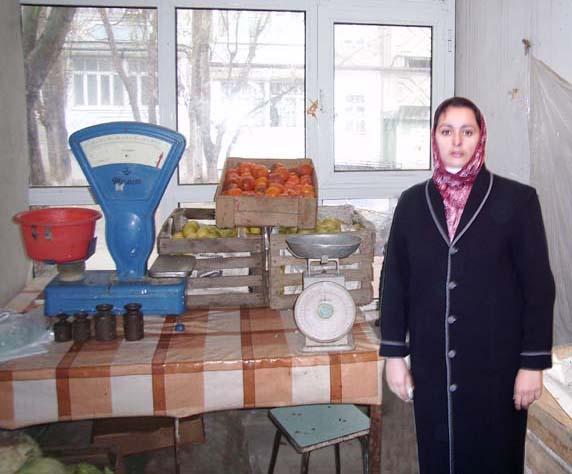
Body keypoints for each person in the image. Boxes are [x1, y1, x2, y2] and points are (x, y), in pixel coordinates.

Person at [379, 96, 555, 474]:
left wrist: (532, 364)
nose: (456, 141)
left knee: (495, 458)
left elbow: (539, 288)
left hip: (496, 366)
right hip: (432, 364)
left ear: (481, 137)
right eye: (447, 131)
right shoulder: (412, 204)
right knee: (439, 458)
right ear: (434, 137)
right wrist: (395, 357)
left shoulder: (518, 201)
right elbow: (394, 282)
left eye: (467, 131)